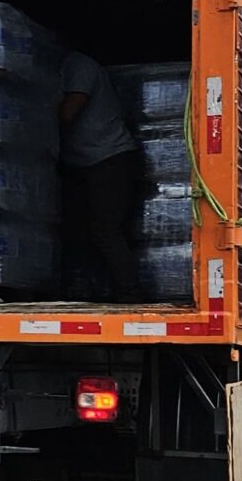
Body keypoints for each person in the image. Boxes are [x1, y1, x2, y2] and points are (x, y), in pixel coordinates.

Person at [57, 50, 143, 302]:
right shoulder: (59, 70)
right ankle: (86, 291)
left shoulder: (79, 65)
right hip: (83, 162)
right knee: (79, 231)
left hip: (109, 158)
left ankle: (130, 294)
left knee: (105, 230)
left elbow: (68, 112)